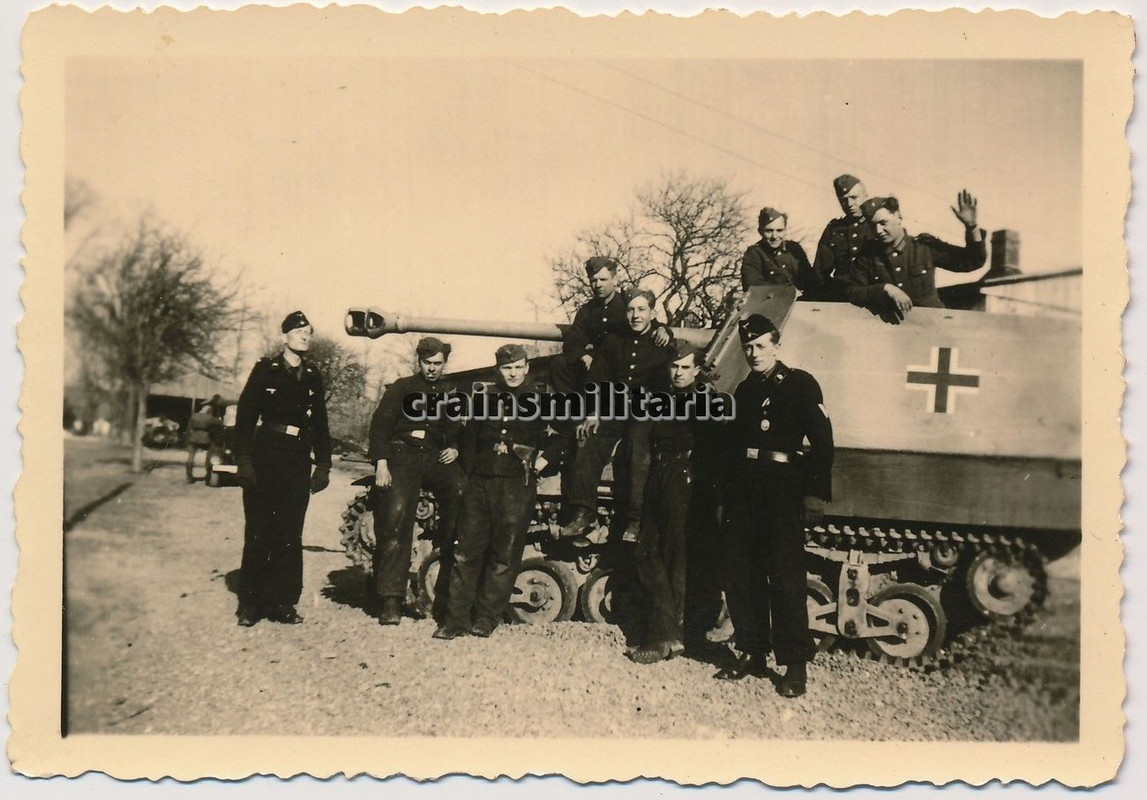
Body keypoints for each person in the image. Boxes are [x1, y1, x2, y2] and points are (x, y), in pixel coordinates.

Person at [716, 314, 833, 698]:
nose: (753, 353)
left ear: (776, 345)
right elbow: (733, 448)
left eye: (761, 346)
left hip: (782, 490)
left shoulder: (800, 384)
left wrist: (814, 492)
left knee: (785, 577)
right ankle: (751, 651)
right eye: (748, 347)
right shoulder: (745, 390)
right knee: (741, 573)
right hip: (745, 491)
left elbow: (822, 442)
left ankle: (795, 664)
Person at [435, 344, 556, 639]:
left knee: (504, 553)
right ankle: (455, 620)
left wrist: (539, 464)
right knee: (467, 552)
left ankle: (487, 617)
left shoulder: (542, 400)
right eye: (507, 368)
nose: (513, 373)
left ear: (526, 368)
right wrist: (467, 476)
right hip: (480, 482)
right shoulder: (484, 399)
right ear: (498, 370)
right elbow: (469, 439)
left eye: (517, 367)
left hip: (516, 484)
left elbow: (560, 437)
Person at [234, 311, 331, 627]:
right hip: (267, 456)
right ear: (285, 336)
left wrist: (324, 464)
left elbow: (320, 423)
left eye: (309, 331)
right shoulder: (267, 370)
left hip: (297, 459)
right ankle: (250, 603)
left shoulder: (313, 374)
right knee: (259, 529)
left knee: (290, 533)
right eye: (299, 330)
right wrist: (245, 461)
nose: (305, 335)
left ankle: (283, 601)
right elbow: (245, 418)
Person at [559, 288, 674, 544]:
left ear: (653, 313)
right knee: (588, 438)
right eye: (631, 309)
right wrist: (593, 413)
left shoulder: (662, 341)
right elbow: (598, 378)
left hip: (645, 411)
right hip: (614, 408)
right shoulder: (613, 340)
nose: (635, 315)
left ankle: (635, 518)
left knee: (638, 444)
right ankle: (584, 512)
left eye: (642, 309)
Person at [367, 336, 466, 626]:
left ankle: (449, 578)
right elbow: (380, 426)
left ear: (445, 364)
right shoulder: (402, 388)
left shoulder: (450, 393)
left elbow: (455, 430)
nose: (432, 369)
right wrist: (381, 464)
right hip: (402, 455)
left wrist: (455, 447)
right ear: (419, 361)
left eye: (438, 364)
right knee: (396, 515)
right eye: (427, 363)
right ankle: (391, 599)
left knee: (461, 489)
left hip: (434, 457)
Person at [629, 340, 713, 664]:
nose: (679, 373)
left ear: (696, 370)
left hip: (686, 474)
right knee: (647, 551)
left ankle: (667, 636)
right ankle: (668, 632)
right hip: (659, 472)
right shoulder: (659, 399)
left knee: (677, 557)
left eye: (685, 368)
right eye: (675, 367)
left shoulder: (705, 400)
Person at [843, 191, 986, 322]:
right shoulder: (868, 256)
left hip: (933, 328)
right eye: (873, 226)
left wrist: (972, 227)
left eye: (883, 223)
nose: (878, 231)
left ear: (899, 216)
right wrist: (885, 288)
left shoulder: (925, 247)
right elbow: (852, 291)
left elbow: (973, 261)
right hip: (892, 333)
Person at [811, 174, 877, 302]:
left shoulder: (877, 225)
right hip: (842, 298)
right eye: (843, 199)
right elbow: (820, 272)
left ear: (866, 195)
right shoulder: (833, 229)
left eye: (854, 198)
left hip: (874, 296)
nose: (850, 204)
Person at [740, 207, 820, 296]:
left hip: (801, 305)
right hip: (771, 307)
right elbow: (753, 287)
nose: (774, 236)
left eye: (779, 230)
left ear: (785, 230)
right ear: (760, 231)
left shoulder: (794, 249)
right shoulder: (754, 254)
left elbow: (810, 280)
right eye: (769, 231)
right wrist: (788, 293)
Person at [185, 394, 224, 483]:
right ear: (210, 411)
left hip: (193, 438)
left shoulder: (194, 416)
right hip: (205, 439)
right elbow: (220, 424)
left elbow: (188, 428)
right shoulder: (210, 418)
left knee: (190, 457)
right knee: (211, 454)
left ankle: (189, 476)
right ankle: (208, 473)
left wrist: (189, 437)